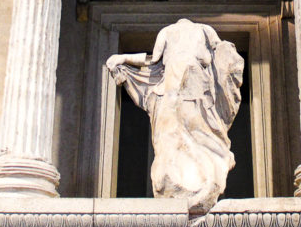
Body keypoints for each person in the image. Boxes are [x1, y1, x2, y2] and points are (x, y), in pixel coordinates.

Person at [104, 19, 243, 215]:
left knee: (176, 137)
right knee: (197, 137)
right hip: (190, 87)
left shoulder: (169, 32)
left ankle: (203, 180)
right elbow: (218, 55)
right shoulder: (204, 30)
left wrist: (123, 58)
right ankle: (201, 179)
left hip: (179, 87)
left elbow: (153, 61)